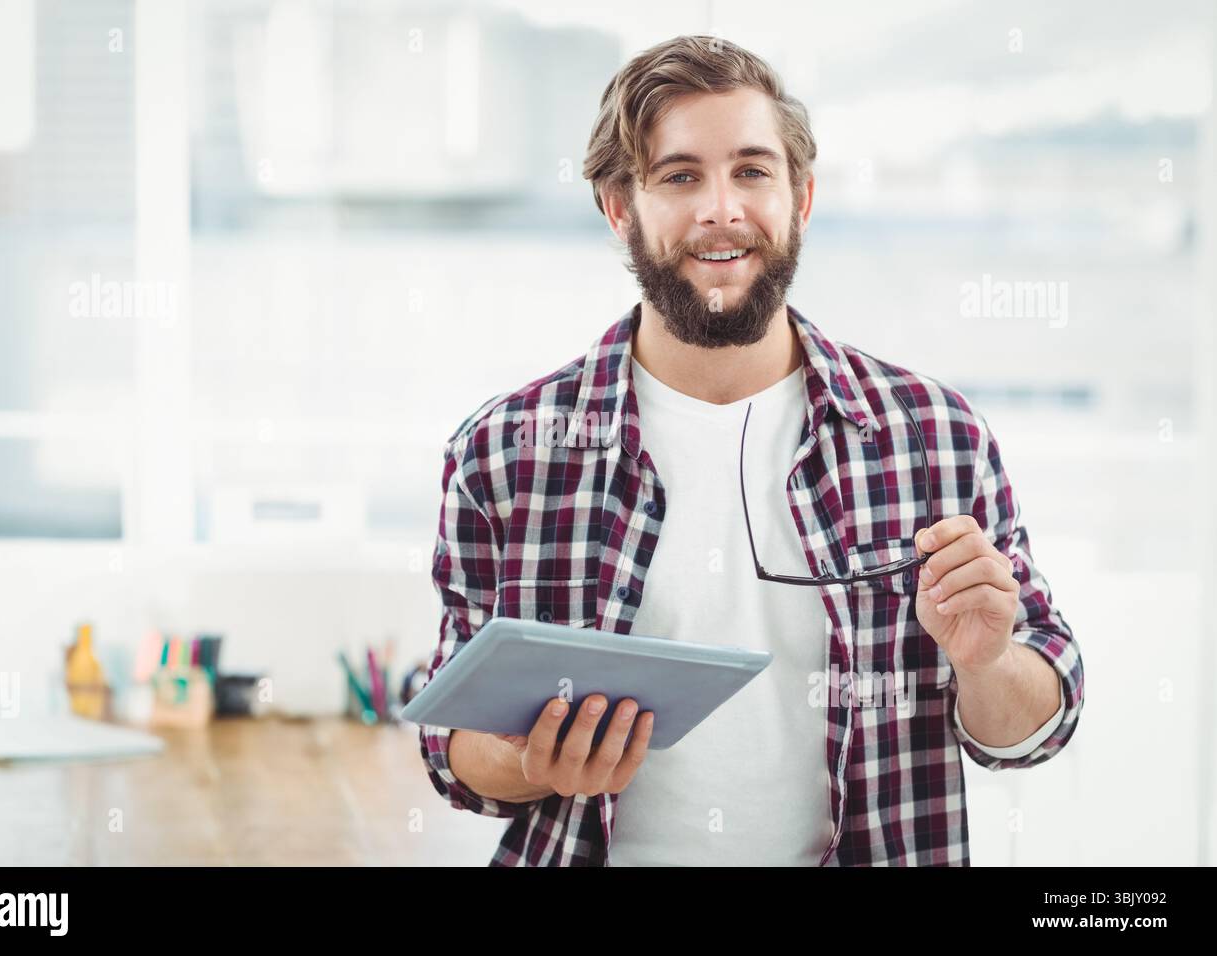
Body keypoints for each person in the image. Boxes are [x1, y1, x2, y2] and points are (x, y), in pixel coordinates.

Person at [418, 34, 1084, 866]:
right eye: (680, 175)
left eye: (753, 171)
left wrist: (986, 664)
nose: (721, 210)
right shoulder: (504, 454)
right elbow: (451, 747)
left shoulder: (935, 439)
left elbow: (1032, 732)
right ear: (619, 206)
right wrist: (530, 759)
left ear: (801, 198)